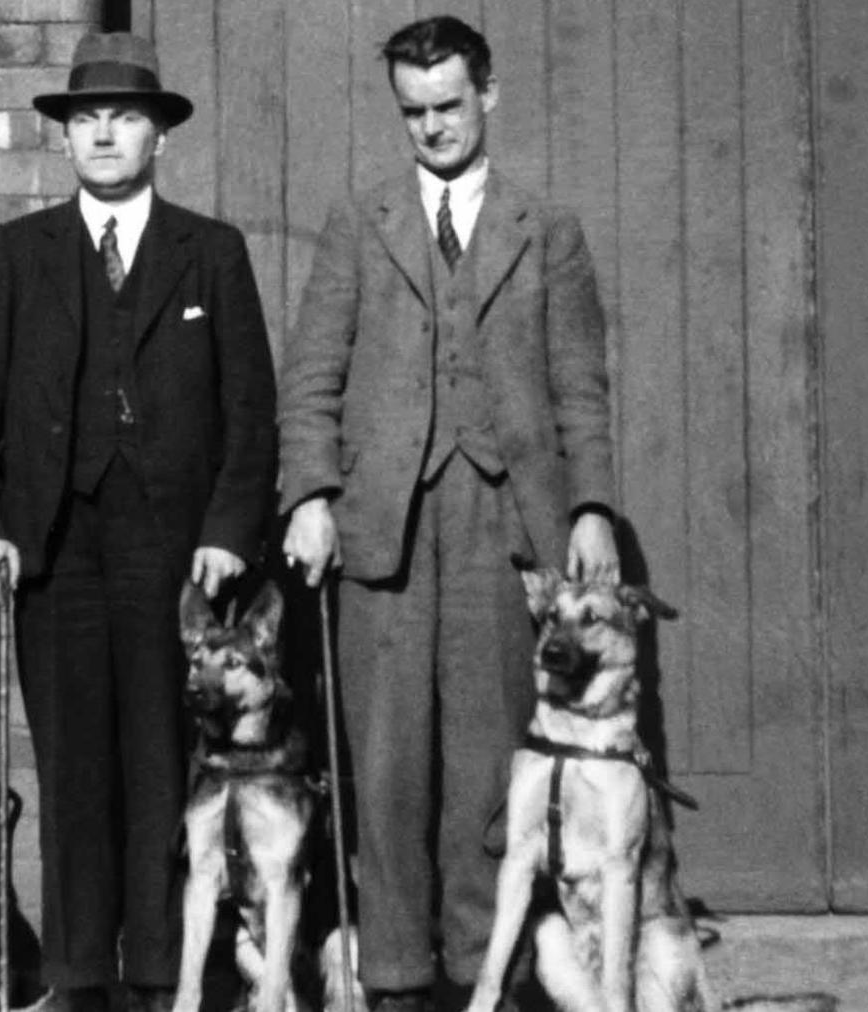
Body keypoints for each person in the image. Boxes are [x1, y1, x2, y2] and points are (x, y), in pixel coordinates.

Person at [276, 15, 619, 1012]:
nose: (431, 127)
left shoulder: (544, 229)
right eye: (412, 111)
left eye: (448, 106)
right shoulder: (361, 219)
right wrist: (309, 494)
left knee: (487, 761)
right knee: (385, 766)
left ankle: (484, 968)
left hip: (504, 521)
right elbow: (313, 375)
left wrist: (591, 506)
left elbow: (582, 387)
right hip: (382, 523)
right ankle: (392, 975)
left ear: (489, 94)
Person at [0, 31, 277, 1012]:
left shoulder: (211, 252)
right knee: (73, 755)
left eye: (125, 116)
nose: (104, 133)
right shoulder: (22, 251)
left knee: (161, 754)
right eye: (86, 117)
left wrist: (228, 525)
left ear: (158, 138)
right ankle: (79, 971)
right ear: (64, 137)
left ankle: (156, 969)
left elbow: (251, 409)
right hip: (54, 540)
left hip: (173, 545)